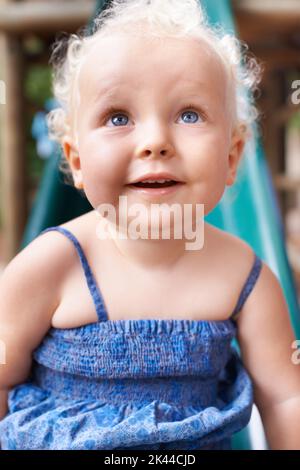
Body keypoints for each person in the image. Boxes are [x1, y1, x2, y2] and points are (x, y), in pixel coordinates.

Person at [0, 0, 299, 450]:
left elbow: (285, 397)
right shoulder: (52, 264)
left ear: (233, 155)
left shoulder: (244, 276)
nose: (156, 141)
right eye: (118, 118)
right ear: (77, 161)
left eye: (189, 115)